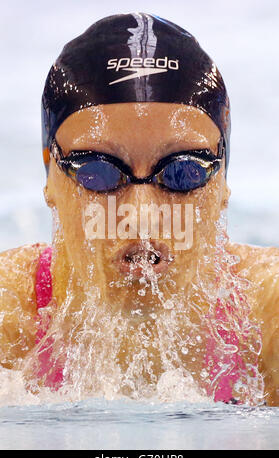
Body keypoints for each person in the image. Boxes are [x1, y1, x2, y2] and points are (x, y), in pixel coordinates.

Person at [1, 12, 279, 405]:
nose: (142, 215)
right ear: (49, 176)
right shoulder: (9, 317)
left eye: (184, 172)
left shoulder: (266, 316)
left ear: (222, 184)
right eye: (98, 172)